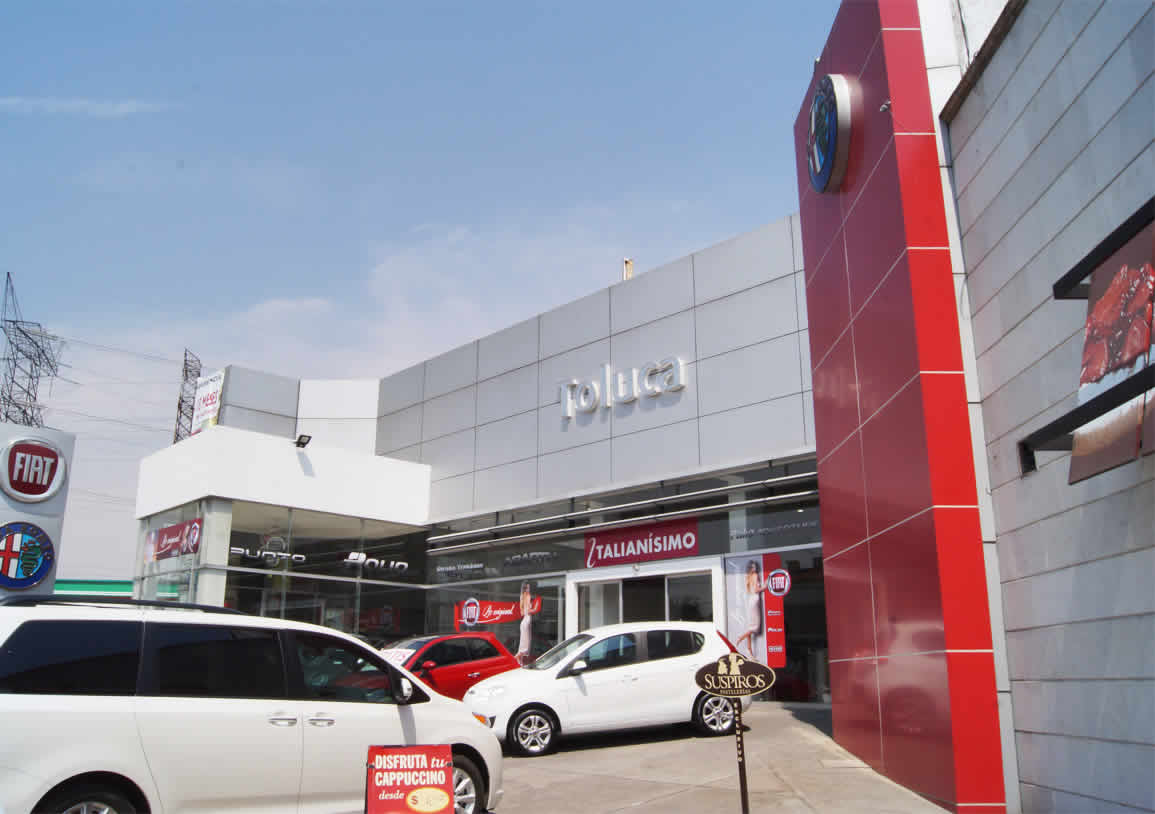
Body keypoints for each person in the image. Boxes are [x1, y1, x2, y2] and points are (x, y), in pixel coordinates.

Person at [734, 560, 768, 659]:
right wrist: (765, 586)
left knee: (750, 626)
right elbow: (757, 590)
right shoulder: (755, 575)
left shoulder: (747, 577)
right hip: (755, 599)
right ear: (751, 568)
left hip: (750, 600)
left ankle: (749, 651)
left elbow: (750, 590)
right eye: (754, 567)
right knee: (755, 627)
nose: (755, 568)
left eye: (755, 566)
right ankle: (741, 637)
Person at [516, 582, 537, 667]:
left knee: (524, 642)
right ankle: (519, 658)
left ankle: (519, 661)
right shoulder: (527, 596)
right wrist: (535, 608)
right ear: (525, 588)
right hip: (527, 619)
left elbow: (522, 612)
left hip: (524, 620)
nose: (529, 589)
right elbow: (528, 611)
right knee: (526, 643)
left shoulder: (522, 596)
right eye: (528, 588)